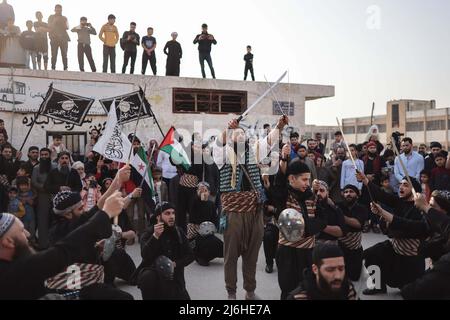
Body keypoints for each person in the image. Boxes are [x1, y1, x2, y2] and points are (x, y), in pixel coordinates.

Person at [0, 190, 133, 300]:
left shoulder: (16, 265)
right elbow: (64, 250)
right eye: (21, 231)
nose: (28, 234)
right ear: (8, 242)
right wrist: (106, 213)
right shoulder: (13, 272)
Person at [214, 115, 288, 300]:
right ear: (230, 137)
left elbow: (270, 140)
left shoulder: (254, 152)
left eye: (242, 134)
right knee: (231, 256)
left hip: (254, 211)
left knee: (252, 255)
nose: (239, 136)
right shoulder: (223, 155)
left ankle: (250, 291)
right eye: (236, 134)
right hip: (234, 213)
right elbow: (218, 143)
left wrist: (279, 125)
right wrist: (228, 127)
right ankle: (231, 292)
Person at [357, 172, 428, 295]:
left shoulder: (420, 209)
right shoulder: (399, 201)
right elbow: (382, 195)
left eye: (405, 185)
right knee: (370, 255)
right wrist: (365, 180)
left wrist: (385, 215)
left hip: (411, 258)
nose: (401, 187)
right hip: (395, 248)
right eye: (400, 184)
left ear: (414, 191)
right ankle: (378, 285)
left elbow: (406, 226)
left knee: (408, 292)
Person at [276, 156, 327, 300]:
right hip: (287, 251)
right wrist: (284, 160)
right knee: (288, 290)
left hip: (308, 251)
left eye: (308, 179)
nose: (308, 183)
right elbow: (279, 184)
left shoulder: (312, 196)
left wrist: (306, 229)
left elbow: (323, 220)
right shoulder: (285, 196)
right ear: (292, 179)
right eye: (304, 180)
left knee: (307, 290)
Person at [135, 202, 194, 300]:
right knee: (147, 277)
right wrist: (155, 237)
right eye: (167, 213)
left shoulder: (178, 232)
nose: (172, 216)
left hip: (174, 279)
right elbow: (145, 255)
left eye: (173, 213)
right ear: (158, 217)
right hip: (156, 277)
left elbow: (190, 255)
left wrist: (175, 264)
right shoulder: (148, 233)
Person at [288, 243, 357, 300]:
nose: (338, 276)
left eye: (341, 269)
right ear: (315, 269)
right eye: (330, 270)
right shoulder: (300, 297)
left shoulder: (347, 288)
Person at [336, 185, 368, 281]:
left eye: (351, 191)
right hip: (340, 246)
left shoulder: (362, 208)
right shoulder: (338, 206)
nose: (348, 194)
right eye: (346, 192)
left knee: (354, 277)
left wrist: (340, 215)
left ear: (357, 195)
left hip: (355, 248)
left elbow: (358, 224)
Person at [188, 182, 223, 266]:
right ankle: (199, 257)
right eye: (201, 190)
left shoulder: (211, 204)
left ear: (209, 192)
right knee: (205, 243)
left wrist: (212, 228)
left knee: (219, 245)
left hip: (208, 232)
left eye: (205, 190)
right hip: (196, 233)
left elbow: (214, 219)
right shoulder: (194, 202)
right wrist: (198, 197)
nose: (203, 192)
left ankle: (207, 257)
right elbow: (192, 216)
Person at [31, 148, 54, 249]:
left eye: (46, 154)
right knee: (42, 221)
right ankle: (43, 245)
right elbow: (34, 182)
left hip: (54, 196)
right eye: (42, 155)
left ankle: (54, 245)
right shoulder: (36, 168)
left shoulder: (55, 167)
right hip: (42, 197)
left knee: (55, 220)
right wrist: (44, 187)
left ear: (50, 155)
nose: (44, 156)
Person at [48, 4, 70, 71]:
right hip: (54, 38)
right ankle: (53, 68)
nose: (58, 11)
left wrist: (62, 22)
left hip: (63, 38)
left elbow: (67, 27)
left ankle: (65, 68)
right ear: (55, 10)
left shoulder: (64, 18)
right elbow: (49, 26)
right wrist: (55, 21)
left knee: (64, 54)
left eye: (60, 10)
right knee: (54, 54)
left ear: (61, 10)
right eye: (57, 10)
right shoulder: (51, 17)